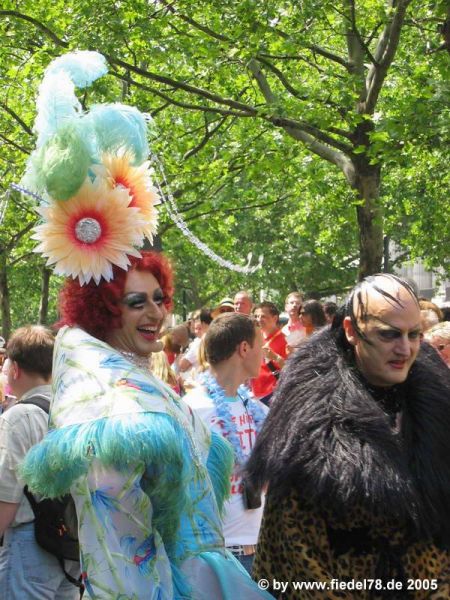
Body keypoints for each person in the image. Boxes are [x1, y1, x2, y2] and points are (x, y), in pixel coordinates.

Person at [19, 50, 271, 600]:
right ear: (102, 308)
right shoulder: (105, 397)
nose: (156, 312)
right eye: (136, 302)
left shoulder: (137, 381)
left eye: (160, 298)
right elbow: (120, 534)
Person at [245, 274, 450, 599]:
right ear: (351, 330)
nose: (405, 348)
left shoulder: (437, 415)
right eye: (389, 334)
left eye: (414, 334)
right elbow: (295, 569)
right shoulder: (307, 434)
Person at [184, 314, 268, 574]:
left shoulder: (257, 409)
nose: (264, 354)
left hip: (258, 547)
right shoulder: (193, 409)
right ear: (244, 349)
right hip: (214, 553)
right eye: (261, 346)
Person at [0, 325, 80, 599]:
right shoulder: (74, 409)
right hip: (70, 542)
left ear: (15, 369)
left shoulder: (18, 418)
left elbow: (6, 496)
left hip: (29, 543)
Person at [252, 302, 287, 404]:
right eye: (256, 316)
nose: (258, 319)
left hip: (273, 395)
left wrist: (275, 357)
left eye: (263, 316)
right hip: (256, 394)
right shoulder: (256, 338)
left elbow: (291, 369)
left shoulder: (286, 340)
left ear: (275, 318)